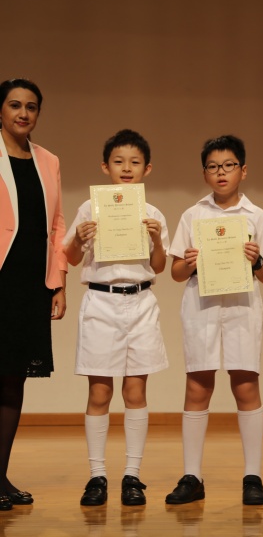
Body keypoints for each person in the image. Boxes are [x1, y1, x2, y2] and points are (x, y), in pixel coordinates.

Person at [165, 135, 263, 506]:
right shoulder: (192, 215)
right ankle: (192, 476)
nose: (221, 172)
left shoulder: (259, 217)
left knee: (246, 386)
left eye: (229, 165)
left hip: (243, 306)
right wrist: (189, 262)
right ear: (205, 174)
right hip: (202, 305)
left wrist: (256, 261)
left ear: (243, 170)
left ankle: (253, 476)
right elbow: (176, 273)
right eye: (213, 167)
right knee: (198, 387)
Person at [64, 129, 169, 507]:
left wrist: (155, 240)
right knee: (99, 392)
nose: (127, 168)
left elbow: (159, 265)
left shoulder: (153, 214)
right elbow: (71, 257)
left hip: (140, 302)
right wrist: (79, 238)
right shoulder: (89, 209)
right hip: (101, 303)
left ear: (147, 168)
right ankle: (97, 477)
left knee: (135, 392)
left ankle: (132, 476)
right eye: (119, 161)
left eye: (135, 162)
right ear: (105, 166)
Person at [0, 78, 67, 512]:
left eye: (31, 107)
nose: (23, 113)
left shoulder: (48, 160)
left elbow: (57, 224)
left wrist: (57, 282)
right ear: (0, 111)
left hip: (29, 284)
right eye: (14, 105)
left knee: (14, 379)